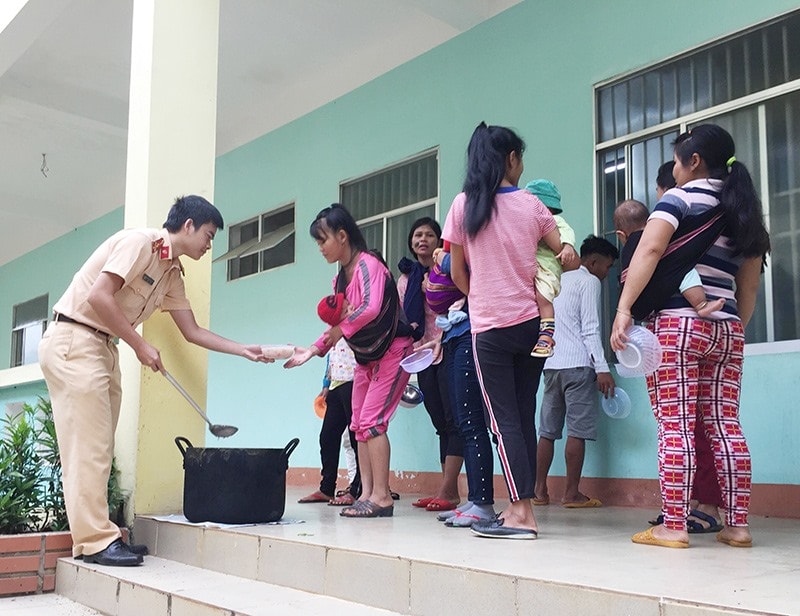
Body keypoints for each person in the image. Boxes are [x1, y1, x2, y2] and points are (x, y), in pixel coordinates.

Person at [37, 195, 271, 566]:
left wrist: (244, 350)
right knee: (89, 447)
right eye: (208, 236)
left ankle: (96, 538)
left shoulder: (172, 273)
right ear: (189, 225)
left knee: (99, 445)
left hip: (102, 347)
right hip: (74, 340)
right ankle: (96, 541)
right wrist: (140, 345)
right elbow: (100, 296)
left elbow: (191, 331)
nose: (209, 245)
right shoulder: (139, 244)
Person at [611, 124, 770, 549]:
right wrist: (732, 329)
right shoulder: (746, 212)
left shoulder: (678, 199)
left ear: (693, 161)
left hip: (678, 326)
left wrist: (624, 309)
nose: (675, 171)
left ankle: (674, 526)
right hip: (728, 328)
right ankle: (737, 526)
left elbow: (647, 251)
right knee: (726, 426)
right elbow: (748, 288)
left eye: (679, 161)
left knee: (675, 426)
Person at [442, 122, 567, 540]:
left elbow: (457, 273)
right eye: (520, 157)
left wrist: (482, 295)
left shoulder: (463, 206)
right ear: (511, 159)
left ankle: (520, 513)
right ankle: (522, 504)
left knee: (502, 421)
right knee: (522, 416)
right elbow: (560, 252)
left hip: (491, 328)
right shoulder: (532, 204)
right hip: (533, 325)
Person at [285, 204, 413, 518]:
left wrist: (338, 331)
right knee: (357, 426)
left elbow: (369, 308)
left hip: (392, 351)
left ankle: (382, 497)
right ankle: (366, 494)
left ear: (343, 236)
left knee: (372, 422)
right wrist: (313, 350)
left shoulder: (369, 265)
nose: (320, 247)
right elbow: (338, 325)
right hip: (366, 359)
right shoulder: (340, 278)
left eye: (323, 240)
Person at [615, 198, 725, 533]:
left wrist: (624, 311)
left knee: (680, 428)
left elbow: (675, 270)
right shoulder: (715, 222)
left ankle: (690, 512)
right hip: (711, 332)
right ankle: (687, 506)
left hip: (674, 333)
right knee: (703, 425)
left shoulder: (660, 238)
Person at [534, 235, 618, 509]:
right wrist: (603, 368)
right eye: (607, 267)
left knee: (547, 431)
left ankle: (538, 491)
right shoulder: (588, 281)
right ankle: (571, 493)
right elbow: (591, 328)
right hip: (579, 366)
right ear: (593, 262)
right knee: (576, 432)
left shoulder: (555, 280)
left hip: (550, 365)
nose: (607, 274)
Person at [423, 242, 496, 527]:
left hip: (471, 332)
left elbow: (467, 279)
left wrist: (443, 261)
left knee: (472, 420)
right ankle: (475, 500)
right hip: (453, 334)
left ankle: (484, 504)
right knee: (466, 422)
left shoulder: (475, 248)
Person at [398, 217, 464, 513]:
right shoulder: (405, 279)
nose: (422, 239)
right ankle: (445, 489)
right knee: (440, 423)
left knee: (454, 420)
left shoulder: (449, 268)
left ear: (439, 240)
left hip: (449, 346)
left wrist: (434, 285)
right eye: (417, 235)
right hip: (421, 353)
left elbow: (462, 300)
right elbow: (401, 317)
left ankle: (450, 491)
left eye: (428, 235)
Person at [615, 198, 725, 318]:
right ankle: (701, 304)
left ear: (621, 234)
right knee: (685, 271)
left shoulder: (629, 249)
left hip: (647, 299)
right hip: (671, 279)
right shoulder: (660, 235)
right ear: (649, 221)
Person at [297, 323, 361, 506]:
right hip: (336, 384)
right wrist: (326, 383)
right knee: (327, 436)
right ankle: (326, 488)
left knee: (357, 438)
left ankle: (357, 488)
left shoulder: (356, 319)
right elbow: (331, 354)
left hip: (355, 381)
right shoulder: (333, 325)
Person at [524, 179, 577, 357]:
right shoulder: (526, 222)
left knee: (543, 298)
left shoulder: (555, 220)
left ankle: (546, 337)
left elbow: (568, 233)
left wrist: (568, 246)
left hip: (547, 269)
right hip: (533, 267)